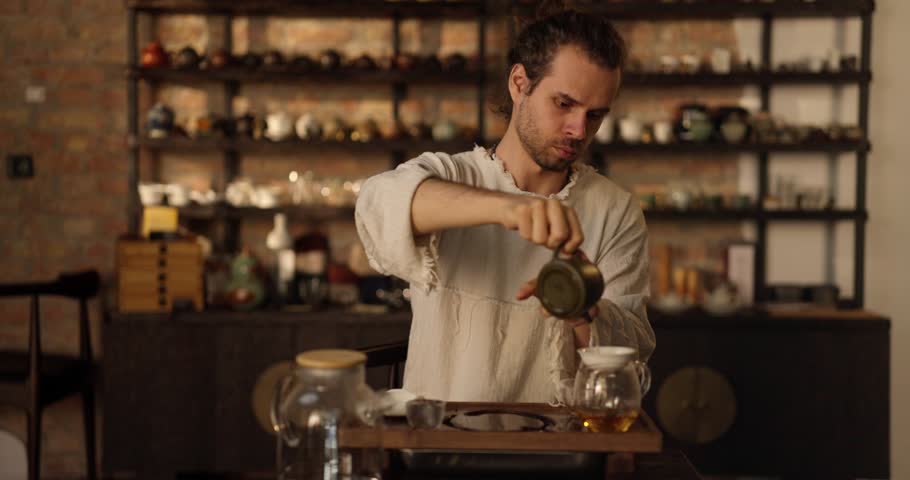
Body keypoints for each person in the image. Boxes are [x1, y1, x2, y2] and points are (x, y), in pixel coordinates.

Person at [354, 9, 654, 403]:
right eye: (564, 104)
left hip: (558, 450)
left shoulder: (614, 211)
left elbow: (630, 360)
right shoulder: (451, 175)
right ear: (519, 83)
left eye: (595, 115)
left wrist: (581, 310)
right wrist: (509, 208)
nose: (579, 130)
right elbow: (378, 202)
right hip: (438, 441)